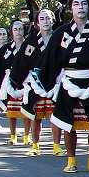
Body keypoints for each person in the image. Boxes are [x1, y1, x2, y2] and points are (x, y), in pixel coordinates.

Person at [36, 0, 89, 174]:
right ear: (70, 8)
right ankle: (71, 160)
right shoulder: (61, 33)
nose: (81, 7)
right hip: (69, 82)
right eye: (76, 4)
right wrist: (47, 78)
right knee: (68, 124)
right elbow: (50, 58)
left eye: (84, 3)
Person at [10, 9, 63, 157]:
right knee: (35, 115)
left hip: (55, 82)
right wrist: (23, 79)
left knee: (55, 116)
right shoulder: (31, 41)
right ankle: (35, 145)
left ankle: (57, 146)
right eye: (42, 18)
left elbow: (66, 57)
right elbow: (22, 61)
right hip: (35, 82)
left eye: (48, 18)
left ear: (53, 20)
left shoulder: (60, 38)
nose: (45, 21)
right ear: (37, 23)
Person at [0, 21, 30, 146]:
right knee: (11, 111)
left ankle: (27, 136)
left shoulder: (30, 46)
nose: (18, 31)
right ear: (11, 31)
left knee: (27, 110)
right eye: (15, 29)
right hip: (10, 82)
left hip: (27, 81)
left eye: (20, 29)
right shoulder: (6, 48)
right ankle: (13, 136)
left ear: (24, 30)